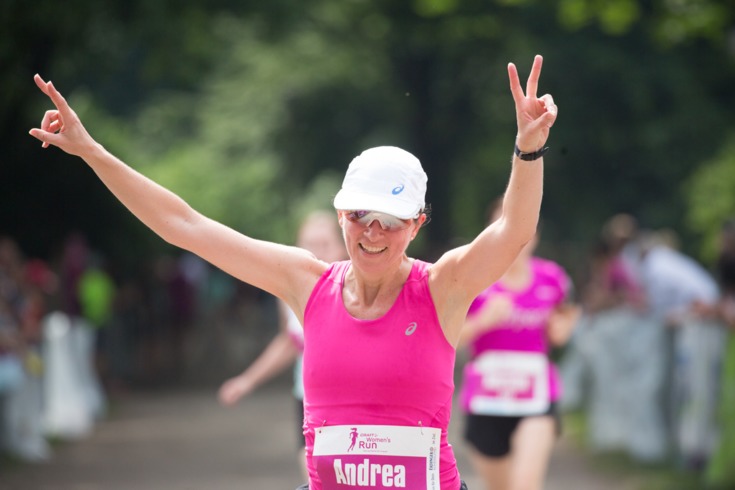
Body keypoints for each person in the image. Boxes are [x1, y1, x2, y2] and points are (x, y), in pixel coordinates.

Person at [29, 54, 556, 490]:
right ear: (339, 214)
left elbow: (512, 231)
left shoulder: (442, 286)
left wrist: (528, 147)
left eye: (388, 222)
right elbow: (182, 224)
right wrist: (91, 151)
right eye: (358, 217)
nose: (371, 233)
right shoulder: (306, 282)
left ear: (416, 225)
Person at [457, 199, 580, 490]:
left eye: (521, 226)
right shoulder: (472, 279)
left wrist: (563, 328)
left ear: (533, 232)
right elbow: (448, 339)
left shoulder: (552, 277)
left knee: (525, 485)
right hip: (487, 398)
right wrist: (483, 321)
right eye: (504, 226)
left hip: (535, 396)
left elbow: (569, 313)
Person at [218, 210, 347, 481]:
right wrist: (247, 381)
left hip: (349, 399)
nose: (315, 252)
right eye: (308, 244)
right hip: (308, 396)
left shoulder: (355, 287)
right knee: (314, 473)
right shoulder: (288, 292)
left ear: (340, 247)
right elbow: (290, 342)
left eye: (323, 244)